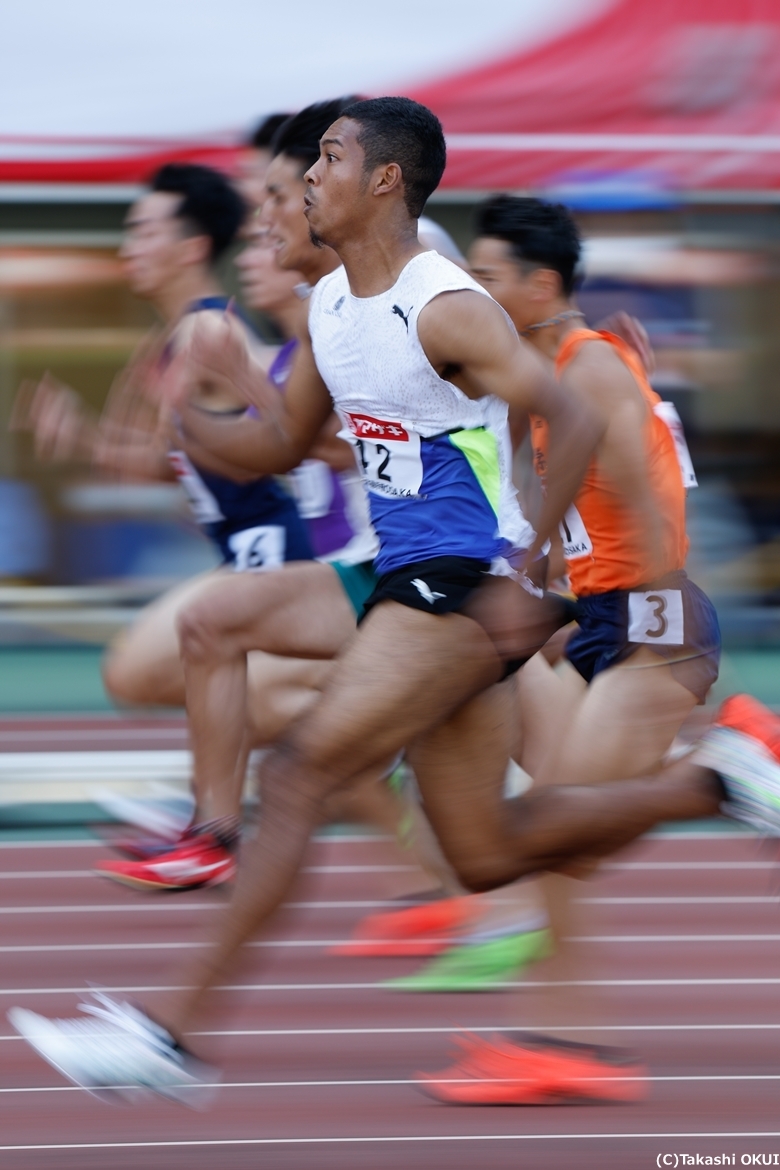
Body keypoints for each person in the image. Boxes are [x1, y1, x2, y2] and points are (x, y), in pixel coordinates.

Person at [11, 97, 780, 1107]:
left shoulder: (443, 303)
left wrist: (531, 558)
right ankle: (718, 782)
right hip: (407, 581)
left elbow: (570, 414)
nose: (304, 182)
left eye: (326, 160)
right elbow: (282, 446)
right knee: (485, 851)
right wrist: (187, 424)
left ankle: (170, 1039)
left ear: (384, 181)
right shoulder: (336, 309)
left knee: (297, 777)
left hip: (462, 589)